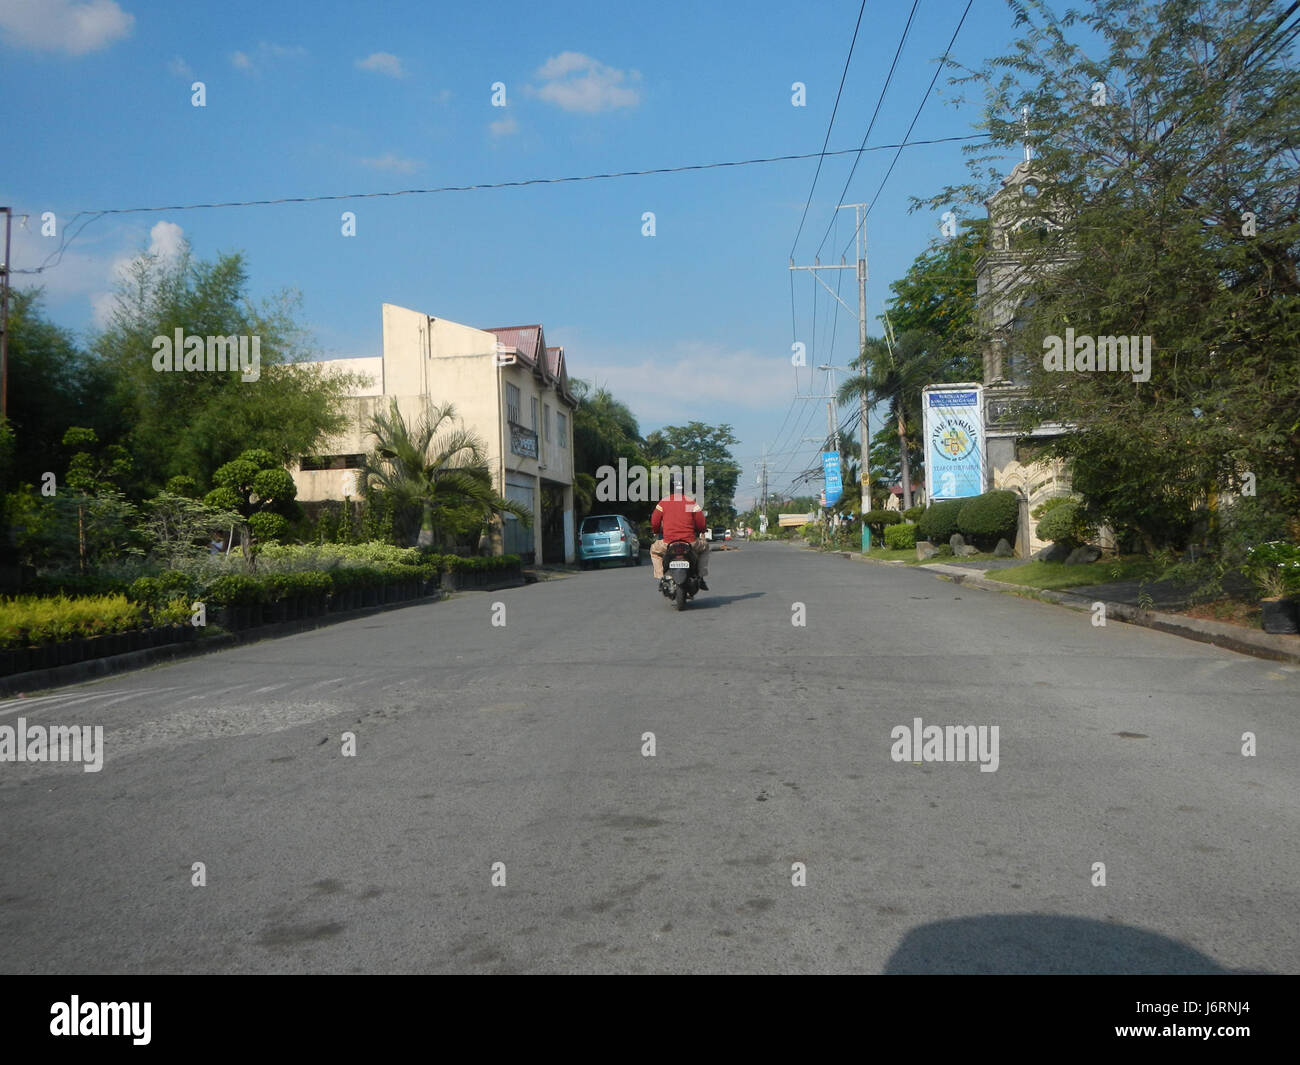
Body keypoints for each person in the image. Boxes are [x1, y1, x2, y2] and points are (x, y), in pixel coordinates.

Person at [650, 475, 709, 590]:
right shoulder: (691, 503)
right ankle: (701, 576)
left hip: (668, 544)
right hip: (690, 543)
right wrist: (701, 531)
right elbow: (701, 522)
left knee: (654, 551)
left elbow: (655, 522)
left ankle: (661, 577)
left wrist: (656, 531)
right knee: (705, 548)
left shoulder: (663, 503)